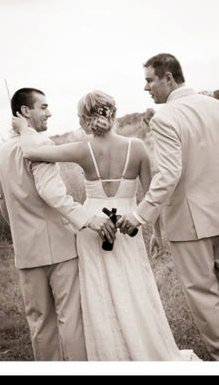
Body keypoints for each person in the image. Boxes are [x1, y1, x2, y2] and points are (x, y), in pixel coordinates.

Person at [12, 89, 200, 361]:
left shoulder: (82, 148)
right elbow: (152, 195)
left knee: (99, 294)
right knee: (137, 290)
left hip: (92, 228)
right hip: (129, 226)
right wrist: (156, 233)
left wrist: (23, 128)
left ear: (86, 118)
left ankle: (109, 357)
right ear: (111, 112)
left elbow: (30, 152)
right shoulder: (136, 147)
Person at [0, 87, 115, 361]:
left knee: (39, 324)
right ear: (25, 111)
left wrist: (20, 228)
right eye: (44, 107)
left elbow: (3, 204)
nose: (49, 113)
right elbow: (54, 194)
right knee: (70, 319)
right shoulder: (41, 146)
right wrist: (87, 220)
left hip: (25, 252)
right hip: (59, 247)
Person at [117, 53, 219, 361]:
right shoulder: (215, 107)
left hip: (191, 222)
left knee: (204, 295)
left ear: (168, 78)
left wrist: (139, 215)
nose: (146, 88)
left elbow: (168, 174)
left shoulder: (165, 118)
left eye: (150, 80)